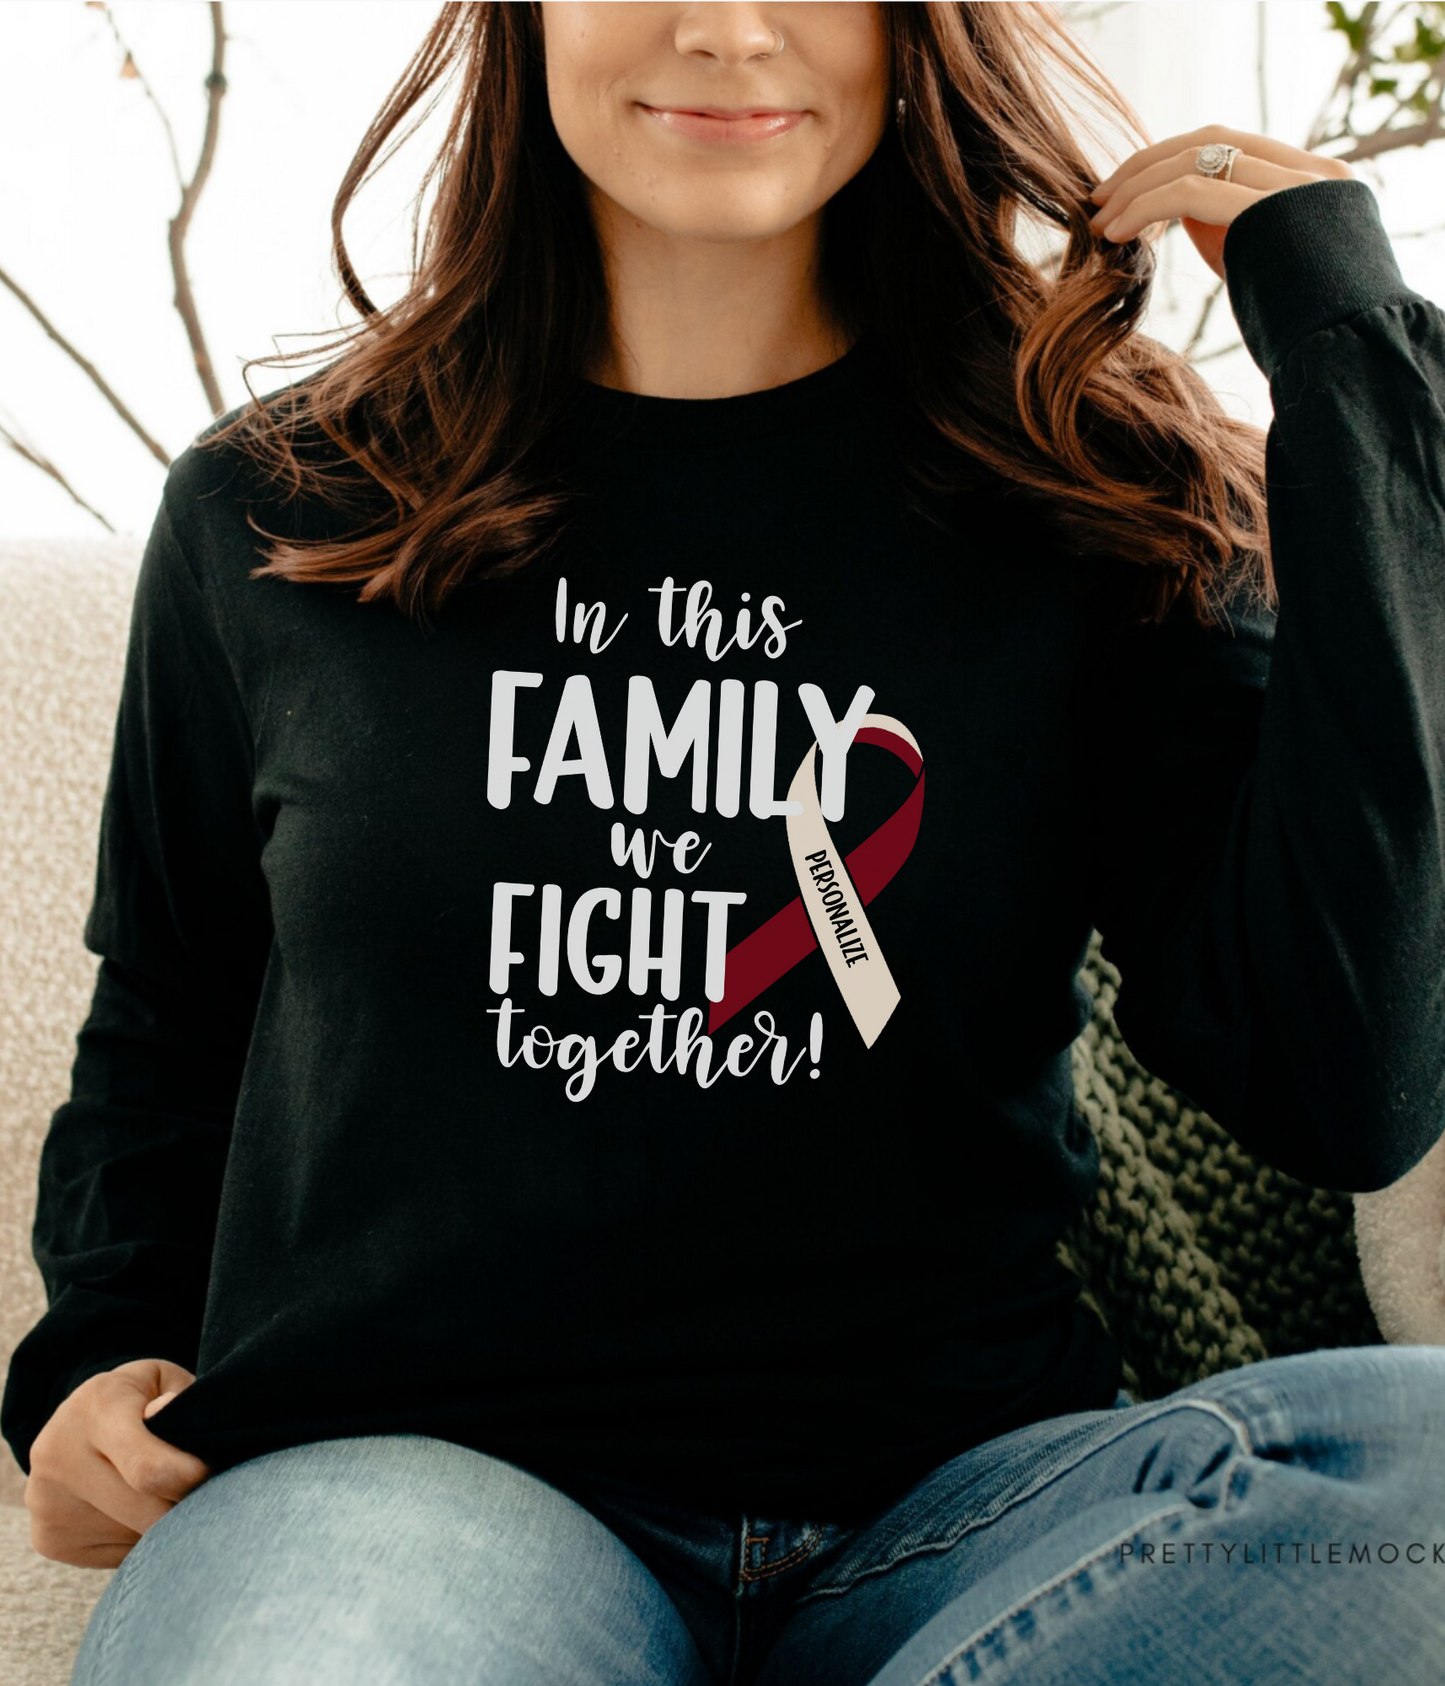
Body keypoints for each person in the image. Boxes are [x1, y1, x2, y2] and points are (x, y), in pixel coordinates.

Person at [5, 3, 1445, 1682]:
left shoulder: (1089, 504)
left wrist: (1350, 343)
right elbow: (173, 1015)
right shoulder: (288, 509)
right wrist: (88, 1358)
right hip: (420, 1497)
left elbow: (1352, 1074)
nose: (727, 28)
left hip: (969, 1529)